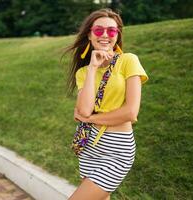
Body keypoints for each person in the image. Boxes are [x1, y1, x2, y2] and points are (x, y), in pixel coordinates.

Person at [65, 8, 149, 200]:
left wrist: (91, 118)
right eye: (98, 30)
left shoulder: (128, 60)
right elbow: (84, 109)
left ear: (117, 35)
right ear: (89, 34)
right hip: (90, 148)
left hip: (117, 150)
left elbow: (130, 112)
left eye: (111, 31)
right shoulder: (84, 72)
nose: (105, 35)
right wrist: (93, 67)